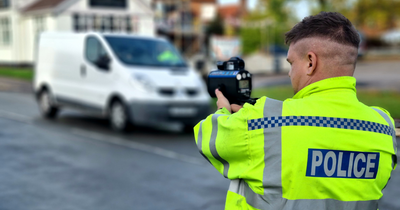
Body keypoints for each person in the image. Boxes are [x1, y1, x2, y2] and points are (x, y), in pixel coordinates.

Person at [194, 12, 397, 210]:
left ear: (311, 62)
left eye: (291, 63)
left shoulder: (264, 121)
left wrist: (224, 111)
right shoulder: (383, 127)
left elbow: (207, 137)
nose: (290, 72)